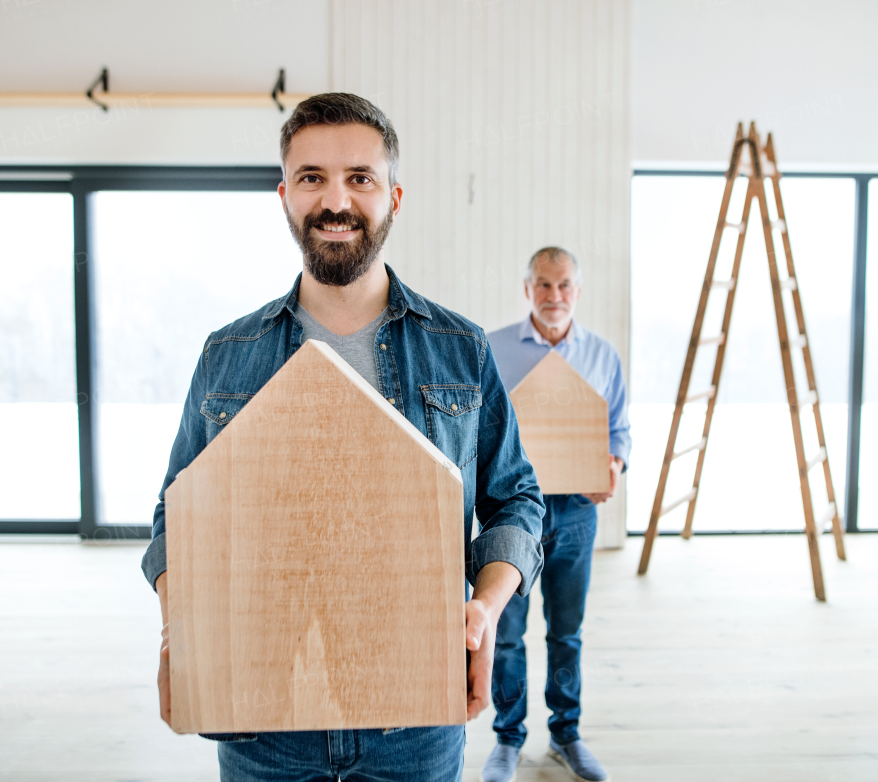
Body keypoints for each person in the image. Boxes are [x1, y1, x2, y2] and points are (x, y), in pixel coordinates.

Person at [140, 93, 546, 782]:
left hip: (414, 719)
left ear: (393, 194)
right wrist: (183, 617)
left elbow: (516, 501)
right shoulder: (227, 354)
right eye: (311, 178)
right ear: (284, 195)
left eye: (359, 177)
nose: (336, 200)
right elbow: (176, 519)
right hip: (259, 714)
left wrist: (486, 605)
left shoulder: (459, 349)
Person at [482, 247, 630, 782]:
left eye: (564, 285)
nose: (554, 296)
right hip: (509, 512)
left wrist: (615, 462)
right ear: (527, 290)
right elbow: (480, 430)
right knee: (505, 630)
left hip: (574, 512)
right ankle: (507, 738)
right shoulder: (493, 349)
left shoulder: (601, 355)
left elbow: (619, 428)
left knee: (566, 631)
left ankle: (566, 733)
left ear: (578, 291)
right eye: (543, 285)